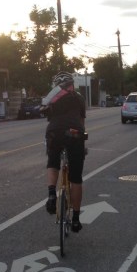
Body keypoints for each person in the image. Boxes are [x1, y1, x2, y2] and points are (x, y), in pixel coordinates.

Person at [42, 72, 86, 232]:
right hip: (75, 132)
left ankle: (52, 194)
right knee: (76, 178)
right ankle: (75, 218)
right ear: (72, 84)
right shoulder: (79, 98)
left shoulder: (54, 98)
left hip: (54, 132)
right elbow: (81, 122)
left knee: (53, 162)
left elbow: (49, 117)